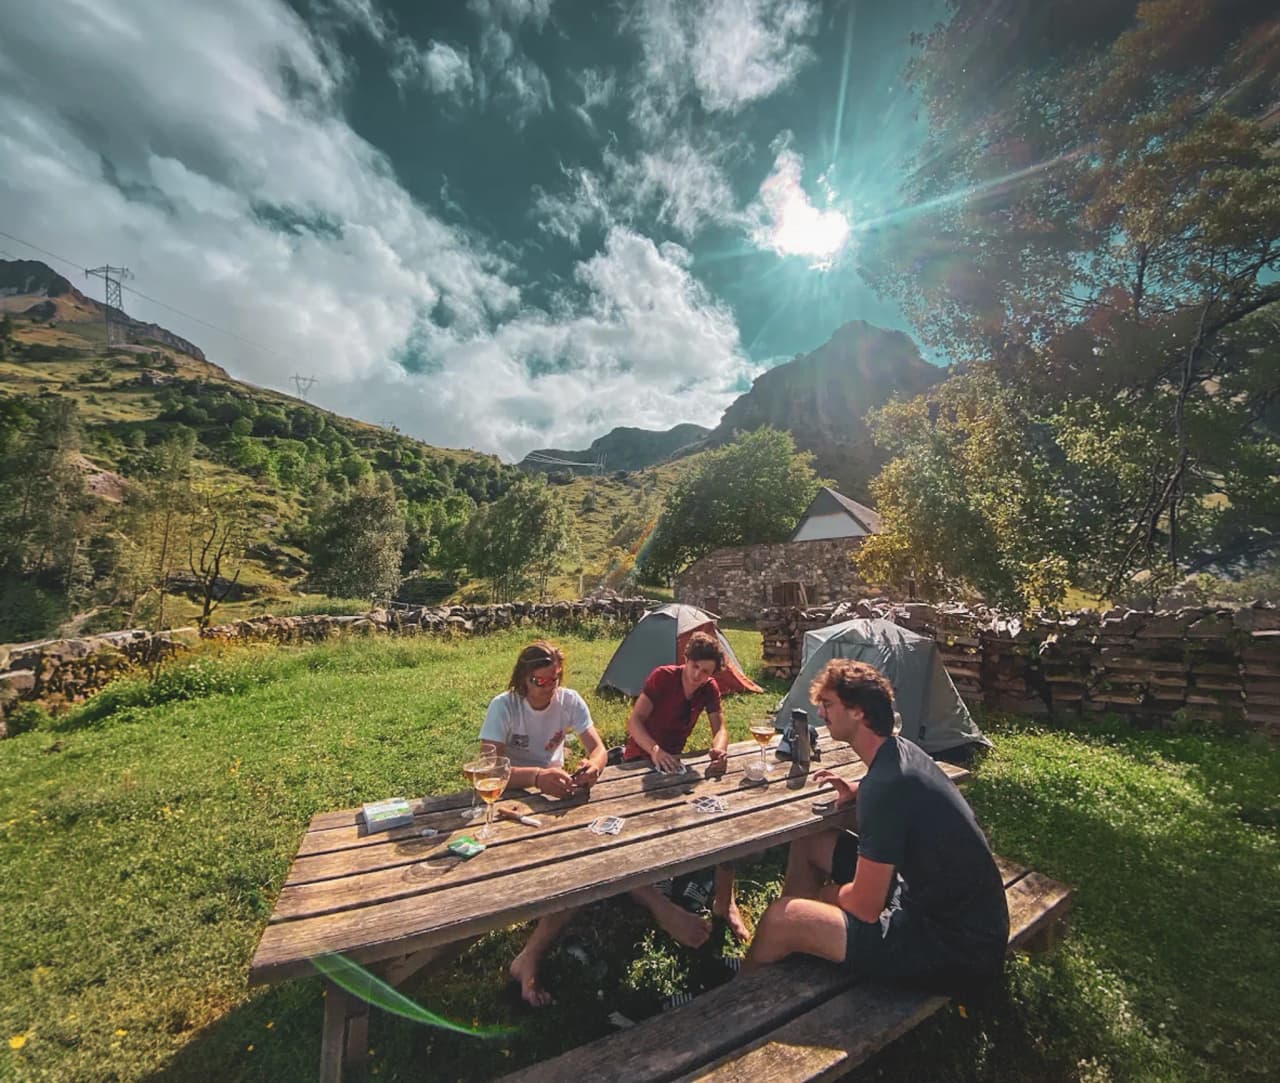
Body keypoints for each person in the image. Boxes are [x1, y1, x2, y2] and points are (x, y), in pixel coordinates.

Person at [742, 659, 1009, 992]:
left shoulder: (886, 787)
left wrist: (822, 897)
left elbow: (864, 908)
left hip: (955, 947)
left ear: (858, 712)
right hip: (941, 907)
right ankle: (796, 949)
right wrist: (857, 789)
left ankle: (733, 1004)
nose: (821, 714)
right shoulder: (899, 752)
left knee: (782, 917)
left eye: (828, 705)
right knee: (812, 842)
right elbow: (896, 798)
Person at [479, 641, 608, 1006]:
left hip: (557, 799)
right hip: (511, 805)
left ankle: (529, 956)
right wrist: (537, 777)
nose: (550, 687)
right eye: (541, 680)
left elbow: (598, 748)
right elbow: (489, 769)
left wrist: (593, 768)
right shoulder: (504, 706)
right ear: (523, 679)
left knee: (581, 869)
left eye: (556, 678)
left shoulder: (569, 700)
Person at [622, 630, 750, 944]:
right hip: (639, 759)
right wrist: (654, 751)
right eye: (695, 667)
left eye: (706, 672)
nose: (698, 675)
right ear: (685, 660)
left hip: (675, 767)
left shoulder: (709, 689)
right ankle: (655, 893)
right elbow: (634, 722)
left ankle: (725, 900)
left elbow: (720, 728)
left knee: (723, 814)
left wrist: (720, 748)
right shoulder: (662, 678)